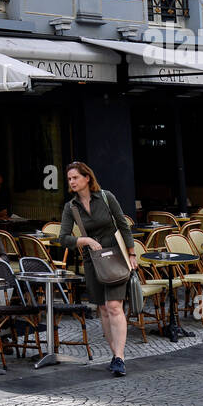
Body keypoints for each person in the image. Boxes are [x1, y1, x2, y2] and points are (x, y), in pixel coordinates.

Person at [58, 161, 138, 377]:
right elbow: (63, 238)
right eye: (69, 179)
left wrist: (131, 254)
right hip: (92, 261)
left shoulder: (106, 197)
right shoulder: (71, 207)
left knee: (114, 305)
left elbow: (123, 224)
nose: (72, 182)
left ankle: (120, 357)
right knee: (103, 308)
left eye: (75, 177)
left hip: (115, 256)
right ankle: (115, 355)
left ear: (87, 178)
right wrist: (85, 240)